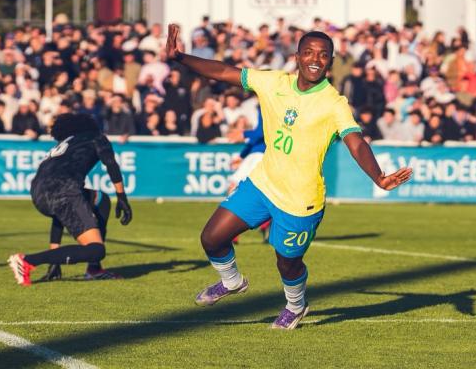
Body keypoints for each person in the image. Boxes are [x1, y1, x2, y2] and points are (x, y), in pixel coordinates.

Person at [167, 24, 411, 329]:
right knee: (211, 238)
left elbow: (356, 141)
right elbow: (224, 71)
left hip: (300, 200)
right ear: (296, 56)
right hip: (262, 183)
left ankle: (296, 306)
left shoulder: (334, 103)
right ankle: (231, 281)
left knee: (287, 262)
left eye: (323, 55)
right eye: (308, 52)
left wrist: (378, 177)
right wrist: (180, 58)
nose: (315, 59)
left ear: (330, 62)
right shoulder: (274, 82)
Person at [7, 113, 133, 286]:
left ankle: (93, 269)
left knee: (101, 200)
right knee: (96, 250)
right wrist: (122, 197)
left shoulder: (62, 146)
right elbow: (111, 164)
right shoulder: (95, 136)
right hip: (63, 190)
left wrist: (55, 255)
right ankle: (27, 261)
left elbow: (60, 210)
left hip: (38, 194)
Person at [228, 107, 270, 243]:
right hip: (257, 154)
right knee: (262, 192)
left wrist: (243, 133)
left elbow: (262, 132)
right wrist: (242, 155)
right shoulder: (262, 105)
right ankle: (266, 224)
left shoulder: (268, 103)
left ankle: (231, 233)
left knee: (235, 188)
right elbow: (257, 137)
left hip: (261, 155)